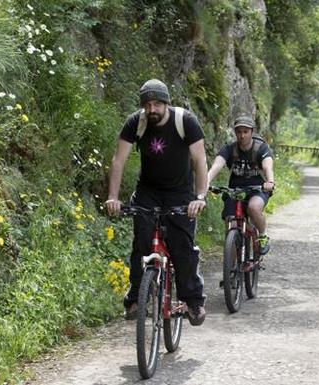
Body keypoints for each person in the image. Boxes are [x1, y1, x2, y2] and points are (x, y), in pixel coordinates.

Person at [105, 79, 208, 326]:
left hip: (180, 192)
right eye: (147, 105)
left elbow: (200, 161)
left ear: (166, 104)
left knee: (182, 246)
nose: (152, 109)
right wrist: (113, 197)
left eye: (157, 104)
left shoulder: (186, 122)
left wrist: (200, 197)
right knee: (141, 243)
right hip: (148, 191)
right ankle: (136, 295)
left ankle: (193, 301)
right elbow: (118, 160)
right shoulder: (135, 123)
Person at [207, 115, 274, 254]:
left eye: (245, 131)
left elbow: (268, 166)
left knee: (253, 208)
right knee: (230, 223)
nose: (242, 135)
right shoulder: (230, 149)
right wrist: (205, 181)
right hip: (235, 190)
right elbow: (216, 166)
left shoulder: (260, 148)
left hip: (258, 189)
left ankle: (262, 237)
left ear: (252, 131)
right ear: (235, 132)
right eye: (239, 131)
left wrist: (270, 181)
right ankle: (231, 268)